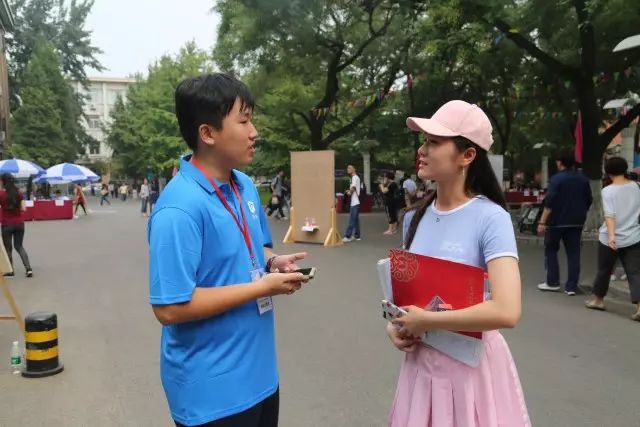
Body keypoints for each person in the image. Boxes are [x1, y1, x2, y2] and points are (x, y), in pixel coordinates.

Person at [148, 73, 311, 427]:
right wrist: (260, 287)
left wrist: (273, 262)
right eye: (244, 120)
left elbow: (254, 248)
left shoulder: (244, 185)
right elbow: (170, 307)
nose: (254, 132)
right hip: (211, 395)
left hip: (261, 378)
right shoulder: (178, 208)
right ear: (207, 133)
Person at [387, 100, 530, 426]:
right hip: (421, 368)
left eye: (434, 142)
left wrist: (428, 321)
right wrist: (396, 325)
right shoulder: (413, 218)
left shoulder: (491, 218)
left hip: (471, 372)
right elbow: (408, 300)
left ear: (467, 155)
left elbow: (507, 310)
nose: (422, 150)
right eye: (424, 141)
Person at [585, 157, 640, 321]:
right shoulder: (637, 187)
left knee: (604, 270)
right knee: (635, 272)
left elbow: (610, 215)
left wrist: (611, 236)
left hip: (609, 238)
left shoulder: (608, 191)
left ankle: (598, 300)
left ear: (608, 172)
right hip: (633, 236)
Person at [537, 151, 592, 295]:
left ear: (560, 162)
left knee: (551, 249)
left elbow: (549, 201)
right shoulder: (583, 179)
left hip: (557, 221)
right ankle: (571, 286)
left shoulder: (556, 179)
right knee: (574, 253)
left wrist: (542, 222)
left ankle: (552, 282)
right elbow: (589, 199)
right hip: (577, 221)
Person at [0, 174, 33, 278]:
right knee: (19, 246)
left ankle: (10, 271)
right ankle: (28, 269)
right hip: (19, 223)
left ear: (3, 182)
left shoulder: (1, 194)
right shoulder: (19, 193)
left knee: (8, 248)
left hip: (6, 224)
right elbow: (24, 208)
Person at [342, 164, 362, 242]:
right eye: (347, 168)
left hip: (355, 202)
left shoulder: (354, 177)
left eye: (350, 168)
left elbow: (353, 188)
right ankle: (357, 236)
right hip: (356, 201)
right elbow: (354, 188)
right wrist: (349, 191)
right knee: (355, 219)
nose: (348, 169)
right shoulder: (356, 177)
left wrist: (349, 192)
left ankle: (348, 236)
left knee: (352, 219)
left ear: (354, 169)